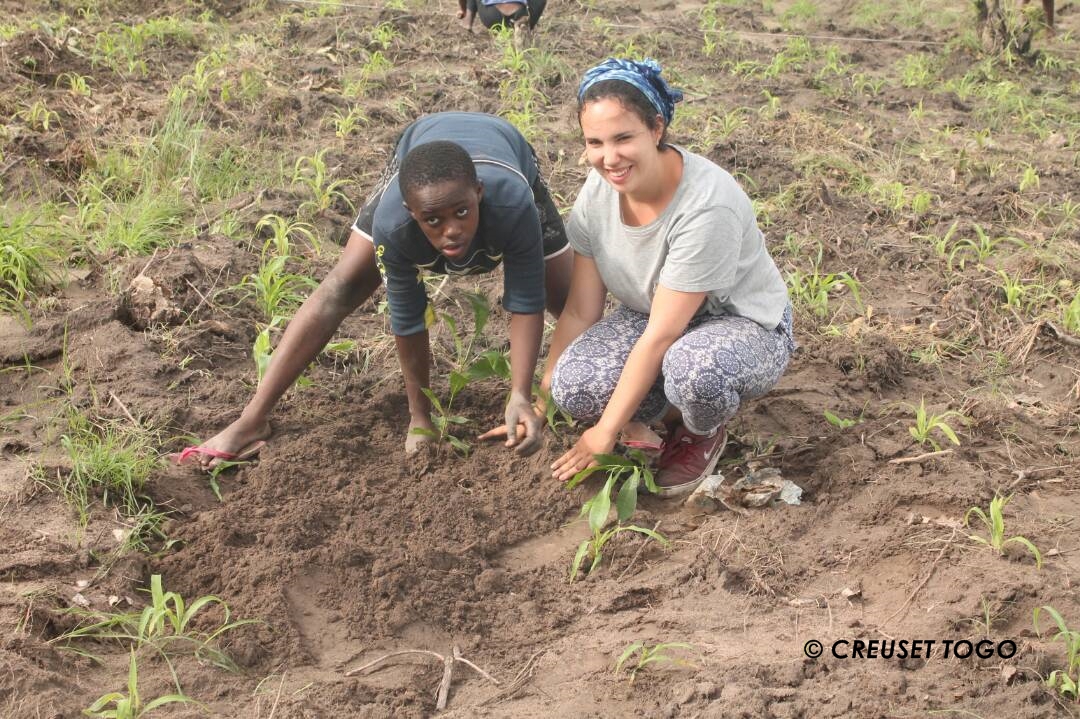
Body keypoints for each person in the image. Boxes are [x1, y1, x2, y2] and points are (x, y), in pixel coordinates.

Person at [173, 112, 572, 468]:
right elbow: (407, 315)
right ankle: (251, 418)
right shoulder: (394, 222)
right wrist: (420, 419)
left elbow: (524, 300)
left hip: (506, 148)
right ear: (412, 213)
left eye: (462, 213)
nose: (451, 230)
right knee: (343, 285)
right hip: (418, 142)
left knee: (569, 300)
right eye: (432, 220)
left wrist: (520, 393)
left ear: (479, 195)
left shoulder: (512, 203)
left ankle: (611, 407)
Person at [488, 59, 796, 497]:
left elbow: (661, 335)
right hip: (652, 313)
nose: (608, 158)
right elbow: (580, 310)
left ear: (656, 128)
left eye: (623, 138)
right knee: (572, 383)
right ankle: (667, 415)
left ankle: (701, 430)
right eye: (595, 142)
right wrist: (542, 401)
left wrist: (603, 432)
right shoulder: (598, 193)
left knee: (695, 371)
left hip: (741, 322)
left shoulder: (707, 206)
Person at [457, 0, 546, 33]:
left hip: (492, 17)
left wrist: (463, 9)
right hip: (521, 14)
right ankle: (525, 28)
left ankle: (467, 20)